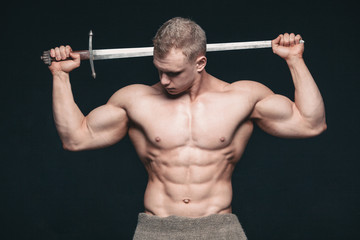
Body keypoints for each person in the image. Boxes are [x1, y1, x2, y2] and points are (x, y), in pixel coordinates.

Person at [48, 17, 326, 239]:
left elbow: (310, 123)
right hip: (156, 230)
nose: (165, 80)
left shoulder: (242, 98)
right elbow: (76, 138)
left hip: (220, 229)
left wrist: (294, 60)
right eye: (159, 69)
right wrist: (60, 76)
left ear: (200, 62)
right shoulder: (135, 100)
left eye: (174, 72)